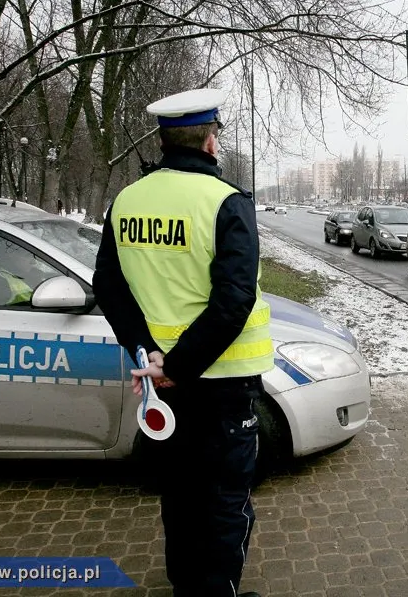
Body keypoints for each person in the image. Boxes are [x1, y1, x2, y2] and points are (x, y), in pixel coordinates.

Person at [92, 88, 273, 597]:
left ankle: (186, 588)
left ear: (165, 139)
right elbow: (233, 301)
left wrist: (147, 353)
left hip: (161, 387)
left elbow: (108, 284)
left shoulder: (127, 200)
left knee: (180, 495)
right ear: (210, 141)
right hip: (220, 386)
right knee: (223, 502)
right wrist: (178, 363)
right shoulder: (226, 203)